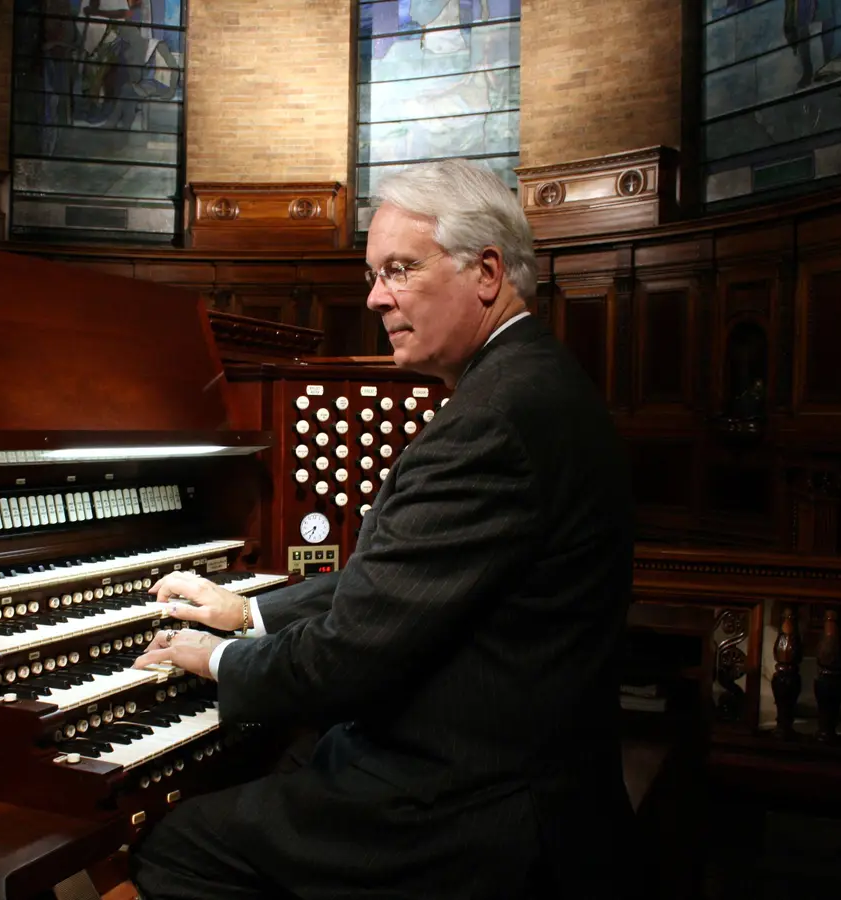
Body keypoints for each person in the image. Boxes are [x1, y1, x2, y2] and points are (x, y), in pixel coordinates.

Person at [127, 157, 637, 899]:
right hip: (524, 767)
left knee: (175, 847)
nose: (375, 298)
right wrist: (252, 611)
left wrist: (217, 661)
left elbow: (344, 661)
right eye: (374, 274)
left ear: (487, 272)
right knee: (291, 764)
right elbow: (404, 580)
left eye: (398, 270)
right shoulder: (538, 380)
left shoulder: (490, 422)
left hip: (466, 808)